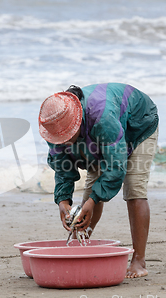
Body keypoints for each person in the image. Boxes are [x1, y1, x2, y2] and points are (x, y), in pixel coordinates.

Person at [38, 82, 159, 278]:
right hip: (99, 130)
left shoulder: (102, 120)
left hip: (139, 121)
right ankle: (78, 250)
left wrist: (93, 201)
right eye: (61, 138)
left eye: (68, 136)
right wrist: (63, 201)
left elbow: (116, 167)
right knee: (92, 190)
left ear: (77, 122)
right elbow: (62, 166)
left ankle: (139, 260)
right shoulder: (53, 124)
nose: (65, 141)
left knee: (134, 188)